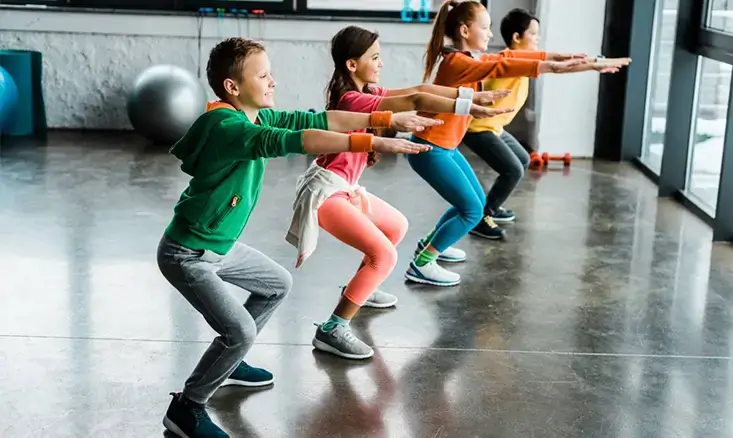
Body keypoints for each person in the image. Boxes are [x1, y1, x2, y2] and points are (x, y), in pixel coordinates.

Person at [157, 36, 441, 438]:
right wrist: (372, 140)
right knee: (240, 331)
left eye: (270, 74)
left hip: (218, 247)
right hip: (188, 254)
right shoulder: (226, 127)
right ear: (232, 87)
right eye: (263, 76)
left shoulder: (253, 117)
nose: (272, 81)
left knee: (277, 284)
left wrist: (385, 119)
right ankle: (187, 408)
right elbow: (294, 140)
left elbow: (313, 121)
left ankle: (229, 362)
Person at [285, 25, 513, 360]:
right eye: (375, 57)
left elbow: (420, 89)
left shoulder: (367, 89)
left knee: (396, 226)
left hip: (345, 187)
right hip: (326, 192)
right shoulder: (352, 99)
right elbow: (415, 100)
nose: (381, 63)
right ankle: (332, 329)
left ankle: (362, 288)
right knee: (385, 255)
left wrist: (470, 99)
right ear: (352, 64)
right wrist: (467, 106)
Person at [404, 0, 615, 286]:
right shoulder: (459, 63)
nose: (490, 34)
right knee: (472, 211)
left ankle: (431, 245)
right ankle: (422, 264)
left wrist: (567, 58)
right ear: (465, 31)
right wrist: (562, 65)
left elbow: (517, 58)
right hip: (430, 150)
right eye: (485, 27)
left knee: (475, 203)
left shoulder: (467, 59)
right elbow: (506, 64)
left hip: (444, 148)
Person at [463, 7, 631, 239]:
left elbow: (556, 63)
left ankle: (493, 205)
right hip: (478, 129)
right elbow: (556, 67)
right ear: (517, 37)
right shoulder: (510, 60)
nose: (537, 39)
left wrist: (594, 63)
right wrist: (594, 64)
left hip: (494, 128)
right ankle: (482, 217)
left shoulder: (521, 59)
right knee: (512, 170)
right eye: (533, 34)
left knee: (522, 160)